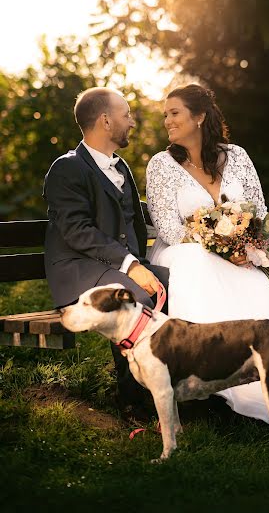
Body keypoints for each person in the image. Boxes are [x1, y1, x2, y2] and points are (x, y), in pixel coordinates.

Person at [146, 84, 269, 433]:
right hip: (183, 253)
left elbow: (257, 211)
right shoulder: (161, 165)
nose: (167, 120)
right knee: (199, 261)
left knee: (255, 274)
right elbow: (167, 227)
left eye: (174, 113)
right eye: (165, 114)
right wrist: (218, 245)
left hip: (239, 253)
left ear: (199, 116)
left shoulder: (237, 156)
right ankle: (225, 376)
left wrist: (249, 245)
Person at [43, 87, 169, 416]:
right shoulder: (66, 168)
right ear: (106, 120)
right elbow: (77, 231)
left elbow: (131, 215)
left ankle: (185, 388)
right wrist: (131, 266)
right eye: (126, 114)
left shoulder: (120, 166)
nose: (132, 122)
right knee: (136, 300)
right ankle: (133, 400)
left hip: (115, 266)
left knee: (184, 284)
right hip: (78, 269)